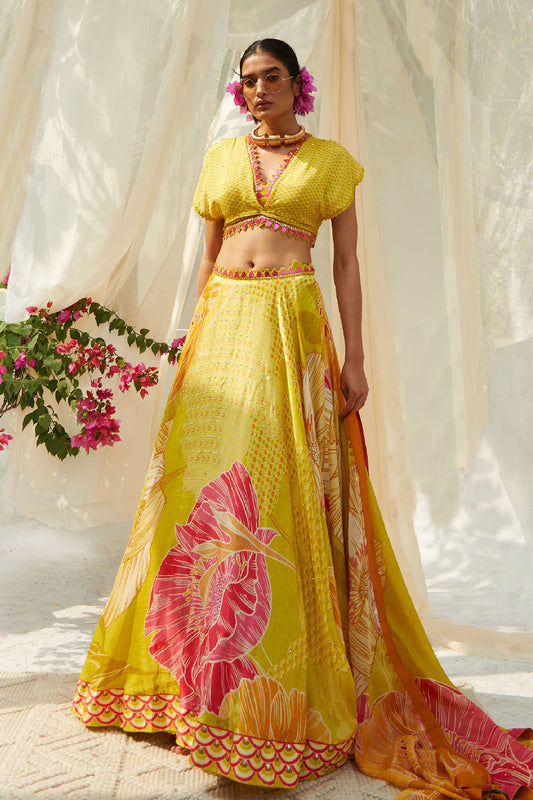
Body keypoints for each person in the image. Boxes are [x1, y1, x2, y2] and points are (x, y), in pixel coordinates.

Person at [72, 39, 533, 797]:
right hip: (224, 327)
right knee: (197, 493)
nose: (257, 91)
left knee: (275, 490)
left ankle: (274, 681)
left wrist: (356, 359)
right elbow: (208, 259)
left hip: (291, 328)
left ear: (297, 84)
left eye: (272, 78)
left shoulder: (332, 164)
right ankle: (181, 680)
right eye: (248, 81)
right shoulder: (221, 159)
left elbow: (346, 265)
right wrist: (192, 343)